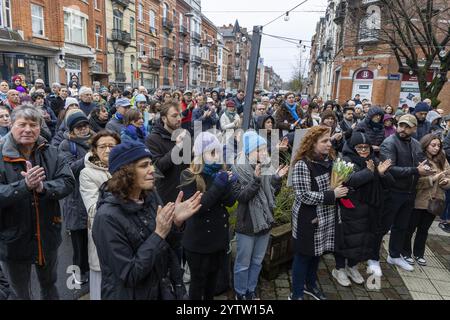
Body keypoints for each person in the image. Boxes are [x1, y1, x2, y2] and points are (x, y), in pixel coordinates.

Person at [92, 141, 202, 300]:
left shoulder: (150, 196)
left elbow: (167, 246)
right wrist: (158, 234)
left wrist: (175, 223)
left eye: (151, 164)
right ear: (126, 172)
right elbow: (129, 274)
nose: (152, 170)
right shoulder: (106, 218)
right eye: (144, 166)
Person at [0, 105, 75, 299]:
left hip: (47, 234)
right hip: (12, 239)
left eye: (33, 125)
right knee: (19, 292)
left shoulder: (51, 151)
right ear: (11, 125)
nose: (28, 129)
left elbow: (67, 182)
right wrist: (24, 186)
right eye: (22, 124)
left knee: (50, 285)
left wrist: (43, 188)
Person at [289, 126, 348, 300]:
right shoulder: (302, 164)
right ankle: (296, 292)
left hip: (327, 217)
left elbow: (336, 185)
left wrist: (342, 186)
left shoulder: (329, 160)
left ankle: (311, 285)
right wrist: (333, 194)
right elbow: (303, 195)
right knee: (303, 257)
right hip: (308, 219)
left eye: (329, 140)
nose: (329, 144)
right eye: (324, 141)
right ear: (312, 143)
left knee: (317, 254)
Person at [180, 132, 237, 300]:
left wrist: (229, 185)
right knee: (198, 284)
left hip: (218, 240)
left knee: (212, 282)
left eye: (218, 152)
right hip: (198, 242)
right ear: (201, 154)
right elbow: (199, 206)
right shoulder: (189, 174)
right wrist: (220, 184)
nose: (217, 156)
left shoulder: (219, 171)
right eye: (212, 152)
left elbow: (229, 202)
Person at [332, 132, 394, 287]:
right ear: (352, 147)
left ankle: (352, 266)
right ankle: (339, 268)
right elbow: (348, 181)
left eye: (366, 147)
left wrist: (380, 174)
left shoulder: (374, 160)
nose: (364, 150)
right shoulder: (344, 160)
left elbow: (390, 182)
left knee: (363, 240)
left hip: (370, 209)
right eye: (360, 147)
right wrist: (369, 173)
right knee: (346, 239)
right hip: (350, 208)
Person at [231, 131, 288, 300]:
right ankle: (240, 293)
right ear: (249, 151)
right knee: (243, 264)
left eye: (265, 149)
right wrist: (256, 179)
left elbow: (272, 194)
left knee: (257, 262)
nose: (264, 153)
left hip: (264, 223)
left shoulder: (266, 167)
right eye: (259, 150)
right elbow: (242, 197)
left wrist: (276, 178)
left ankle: (251, 289)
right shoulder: (237, 169)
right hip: (247, 225)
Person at [378, 114, 432, 272]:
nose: (403, 129)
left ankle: (394, 255)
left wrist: (426, 167)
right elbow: (390, 169)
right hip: (392, 191)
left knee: (401, 227)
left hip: (409, 192)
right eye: (401, 125)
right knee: (382, 227)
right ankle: (373, 258)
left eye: (408, 126)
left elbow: (422, 161)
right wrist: (416, 170)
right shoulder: (389, 143)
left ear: (414, 128)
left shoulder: (415, 144)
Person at [79, 130, 121, 300]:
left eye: (112, 146)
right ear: (94, 150)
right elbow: (93, 209)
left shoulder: (126, 167)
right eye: (102, 146)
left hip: (127, 233)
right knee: (103, 284)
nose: (108, 150)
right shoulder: (87, 173)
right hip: (102, 234)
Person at [58, 111, 95, 285]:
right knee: (79, 243)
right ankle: (78, 274)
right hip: (75, 200)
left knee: (94, 240)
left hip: (95, 196)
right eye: (78, 127)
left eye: (85, 125)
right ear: (71, 130)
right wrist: (87, 159)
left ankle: (92, 271)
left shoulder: (96, 140)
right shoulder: (66, 145)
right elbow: (67, 169)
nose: (83, 129)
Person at [403, 134, 450, 266]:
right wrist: (433, 179)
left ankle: (419, 253)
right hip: (419, 199)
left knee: (424, 229)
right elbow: (415, 181)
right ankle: (405, 252)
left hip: (436, 199)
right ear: (426, 144)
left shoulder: (442, 158)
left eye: (438, 146)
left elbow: (448, 175)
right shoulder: (419, 158)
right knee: (410, 228)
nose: (436, 148)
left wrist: (446, 181)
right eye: (433, 145)